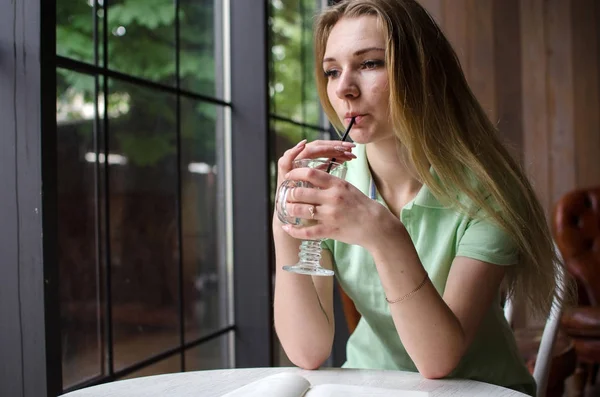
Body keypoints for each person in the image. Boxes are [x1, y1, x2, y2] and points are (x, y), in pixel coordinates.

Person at [272, 1, 569, 395]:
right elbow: (307, 352)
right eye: (332, 70)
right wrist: (284, 224)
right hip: (369, 385)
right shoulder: (336, 183)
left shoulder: (488, 191)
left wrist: (383, 234)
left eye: (370, 63)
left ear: (423, 70)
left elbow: (438, 360)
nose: (343, 88)